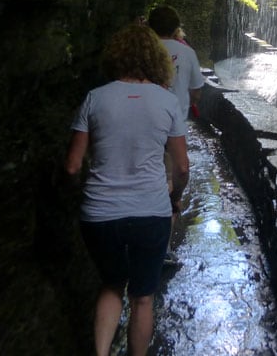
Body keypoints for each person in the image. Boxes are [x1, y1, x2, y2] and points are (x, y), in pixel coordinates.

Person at [65, 24, 189, 356]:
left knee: (110, 285)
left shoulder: (95, 97)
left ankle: (101, 353)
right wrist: (175, 198)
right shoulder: (166, 101)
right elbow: (181, 167)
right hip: (151, 212)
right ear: (155, 59)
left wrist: (85, 194)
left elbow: (73, 166)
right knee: (143, 297)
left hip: (100, 214)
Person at [147, 5, 204, 261]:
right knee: (169, 182)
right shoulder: (187, 53)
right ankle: (162, 248)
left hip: (141, 123)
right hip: (174, 127)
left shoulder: (143, 50)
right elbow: (196, 89)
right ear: (175, 28)